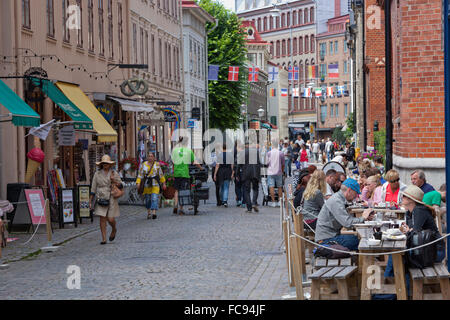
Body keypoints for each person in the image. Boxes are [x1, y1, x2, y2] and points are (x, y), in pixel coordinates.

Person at [384, 185, 444, 283]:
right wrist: (408, 230)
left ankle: (391, 290)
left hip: (434, 251)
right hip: (424, 249)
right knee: (398, 256)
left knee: (398, 256)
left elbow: (413, 233)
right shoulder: (411, 211)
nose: (401, 197)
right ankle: (396, 289)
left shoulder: (419, 210)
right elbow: (410, 230)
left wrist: (409, 231)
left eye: (404, 196)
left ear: (411, 199)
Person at [315, 179, 375, 251]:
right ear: (349, 190)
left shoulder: (338, 199)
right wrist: (363, 218)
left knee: (360, 238)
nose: (356, 197)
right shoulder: (336, 201)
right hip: (326, 240)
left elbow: (348, 223)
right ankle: (365, 260)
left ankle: (362, 259)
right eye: (355, 193)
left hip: (329, 236)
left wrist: (364, 218)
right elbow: (347, 223)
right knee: (361, 240)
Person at [89, 155, 124, 245]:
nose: (105, 165)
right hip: (101, 196)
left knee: (110, 219)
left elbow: (121, 185)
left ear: (110, 164)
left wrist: (113, 181)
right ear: (101, 164)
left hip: (111, 196)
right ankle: (104, 238)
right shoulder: (97, 174)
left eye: (107, 163)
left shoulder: (113, 173)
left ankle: (114, 229)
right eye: (104, 163)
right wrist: (90, 201)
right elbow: (93, 188)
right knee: (102, 218)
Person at [171, 137, 203, 215]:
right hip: (184, 173)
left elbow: (173, 162)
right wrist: (201, 168)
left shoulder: (174, 151)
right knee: (183, 191)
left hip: (176, 173)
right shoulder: (188, 151)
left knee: (176, 190)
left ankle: (175, 205)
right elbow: (194, 162)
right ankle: (181, 209)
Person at [136, 152, 166, 220]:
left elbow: (161, 174)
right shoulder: (143, 165)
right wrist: (138, 183)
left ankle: (154, 213)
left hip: (155, 184)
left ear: (154, 158)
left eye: (151, 156)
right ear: (147, 157)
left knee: (154, 198)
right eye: (149, 156)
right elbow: (140, 175)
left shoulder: (157, 165)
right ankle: (149, 212)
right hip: (147, 184)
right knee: (148, 200)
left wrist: (163, 183)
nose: (150, 157)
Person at [238, 142, 262, 213]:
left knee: (246, 190)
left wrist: (237, 174)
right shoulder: (257, 152)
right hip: (255, 173)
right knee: (255, 188)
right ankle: (254, 203)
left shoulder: (243, 152)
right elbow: (260, 163)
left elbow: (239, 163)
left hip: (246, 173)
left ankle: (249, 208)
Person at [214, 144, 234, 208]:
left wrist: (215, 174)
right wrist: (232, 173)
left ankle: (222, 199)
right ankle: (225, 200)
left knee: (221, 187)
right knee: (226, 187)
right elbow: (232, 165)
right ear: (227, 148)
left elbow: (217, 165)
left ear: (222, 148)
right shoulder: (230, 155)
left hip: (221, 172)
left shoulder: (219, 155)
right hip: (228, 171)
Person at [267, 140, 285, 207]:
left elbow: (266, 163)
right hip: (279, 172)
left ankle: (273, 202)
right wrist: (282, 171)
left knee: (271, 187)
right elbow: (283, 163)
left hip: (271, 172)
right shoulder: (281, 153)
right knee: (279, 187)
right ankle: (280, 202)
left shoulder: (269, 153)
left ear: (272, 145)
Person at [234, 141, 245, 207]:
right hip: (245, 173)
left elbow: (237, 165)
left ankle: (239, 200)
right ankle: (244, 201)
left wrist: (236, 174)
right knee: (244, 187)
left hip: (239, 173)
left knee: (238, 187)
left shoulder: (238, 155)